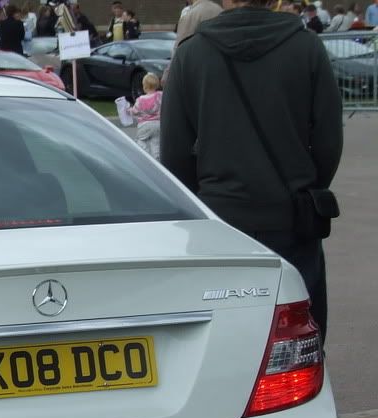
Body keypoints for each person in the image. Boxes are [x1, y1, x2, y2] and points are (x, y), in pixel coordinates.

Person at [161, 0, 343, 341]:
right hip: (291, 213)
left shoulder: (191, 54)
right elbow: (328, 140)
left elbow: (174, 153)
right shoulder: (307, 48)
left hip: (221, 216)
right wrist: (306, 186)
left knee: (227, 334)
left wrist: (203, 202)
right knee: (298, 333)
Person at [130, 72, 162, 159]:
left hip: (144, 125)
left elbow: (135, 111)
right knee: (156, 144)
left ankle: (145, 157)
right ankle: (156, 160)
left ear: (144, 86)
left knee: (142, 140)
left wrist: (129, 110)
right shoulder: (160, 95)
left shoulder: (140, 100)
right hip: (158, 124)